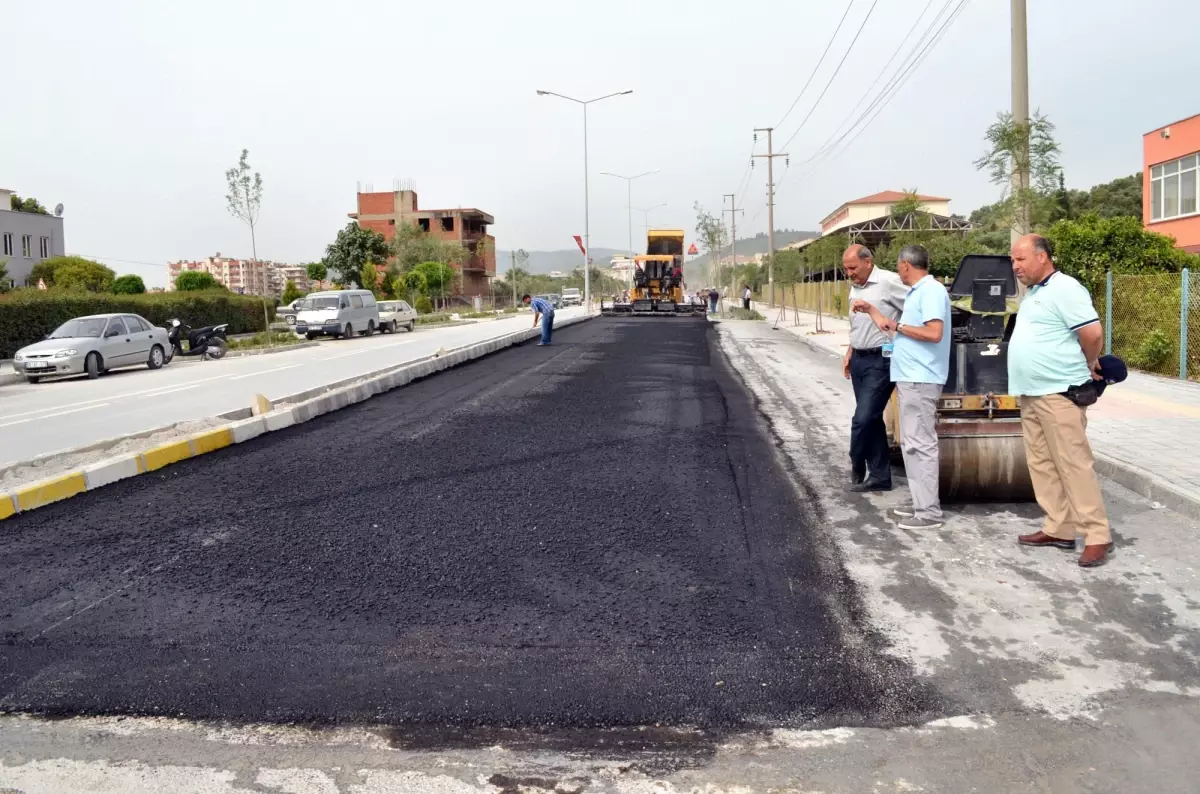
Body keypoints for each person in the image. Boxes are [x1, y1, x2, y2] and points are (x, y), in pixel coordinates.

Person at [1007, 234, 1113, 567]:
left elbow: (1092, 333)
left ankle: (1097, 535)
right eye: (1013, 260)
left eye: (1021, 259)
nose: (1015, 266)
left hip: (1058, 393)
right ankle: (1059, 527)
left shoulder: (1066, 288)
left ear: (1043, 257)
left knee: (1073, 464)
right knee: (1042, 464)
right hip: (1032, 393)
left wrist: (1088, 362)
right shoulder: (1034, 294)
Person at [854, 244, 951, 529]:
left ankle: (929, 513)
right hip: (911, 378)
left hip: (921, 379)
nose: (898, 270)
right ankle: (921, 503)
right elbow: (890, 326)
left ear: (906, 265)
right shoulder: (917, 294)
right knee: (911, 446)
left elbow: (934, 333)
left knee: (921, 445)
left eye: (898, 266)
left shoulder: (931, 291)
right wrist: (872, 311)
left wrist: (898, 328)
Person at [843, 244, 908, 493]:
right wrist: (850, 352)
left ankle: (856, 460)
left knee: (863, 419)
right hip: (859, 358)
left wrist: (898, 331)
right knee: (872, 420)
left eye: (853, 268)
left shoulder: (889, 282)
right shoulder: (855, 286)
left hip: (882, 360)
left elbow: (915, 309)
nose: (849, 273)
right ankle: (880, 476)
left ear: (868, 262)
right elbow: (857, 325)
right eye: (846, 269)